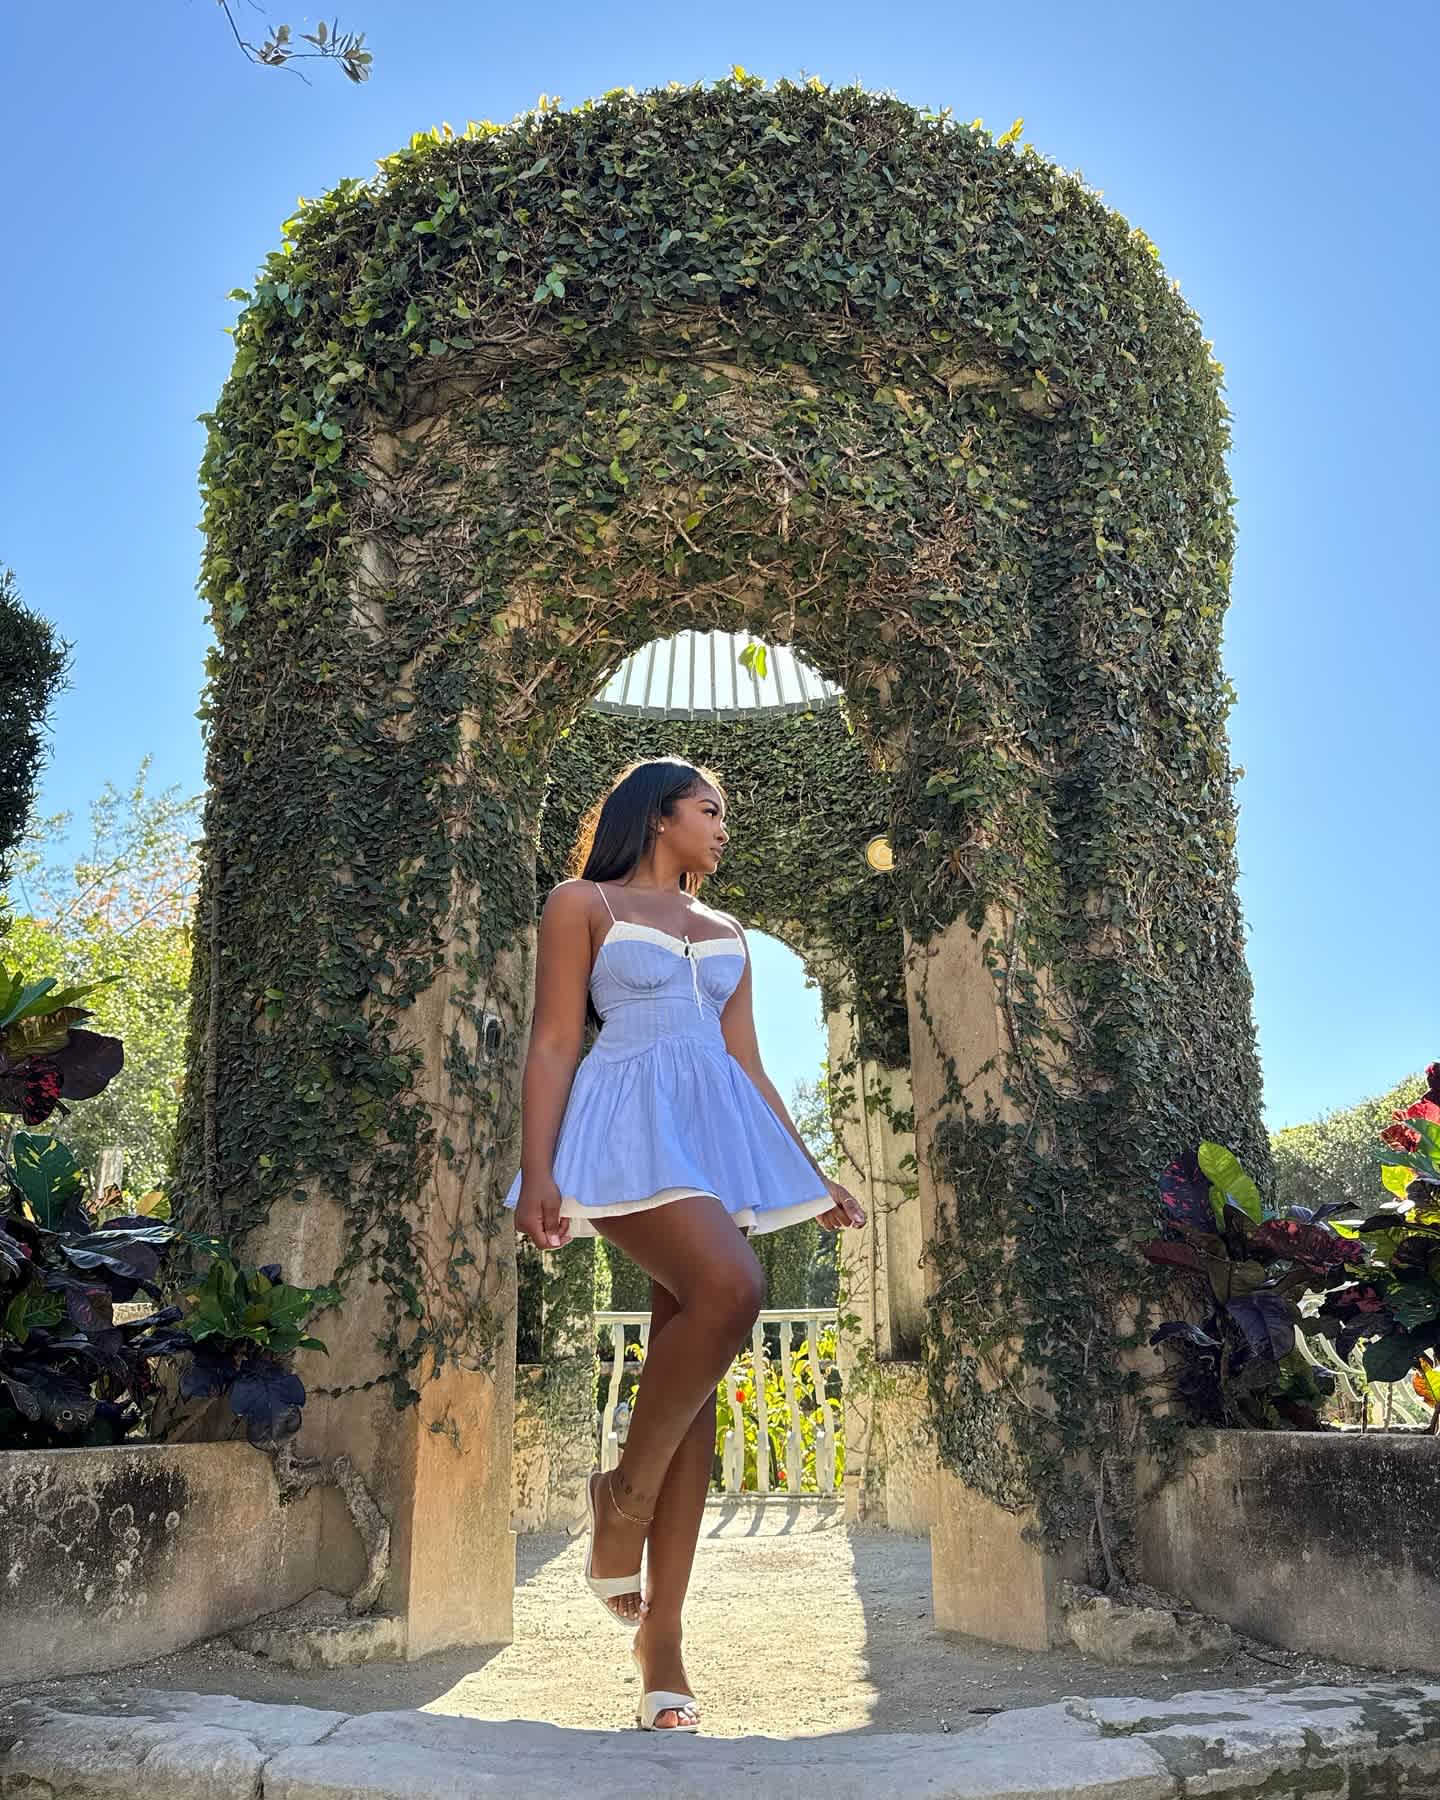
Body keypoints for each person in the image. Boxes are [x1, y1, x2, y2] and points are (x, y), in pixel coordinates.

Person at [506, 755, 866, 1733]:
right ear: (657, 815)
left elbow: (747, 1061)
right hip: (622, 1130)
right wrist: (538, 1172)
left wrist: (812, 1170)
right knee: (733, 1289)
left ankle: (660, 1647)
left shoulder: (728, 933)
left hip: (715, 1137)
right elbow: (552, 1042)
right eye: (710, 809)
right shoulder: (580, 902)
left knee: (695, 1379)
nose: (721, 827)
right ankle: (620, 1499)